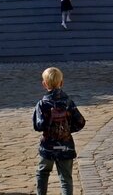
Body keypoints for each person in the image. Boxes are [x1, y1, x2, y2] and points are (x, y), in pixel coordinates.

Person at [32, 66, 85, 195]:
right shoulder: (68, 102)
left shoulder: (42, 104)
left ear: (44, 84)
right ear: (62, 83)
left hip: (48, 146)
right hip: (66, 146)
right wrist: (67, 129)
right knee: (65, 178)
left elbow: (38, 126)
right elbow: (80, 122)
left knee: (43, 173)